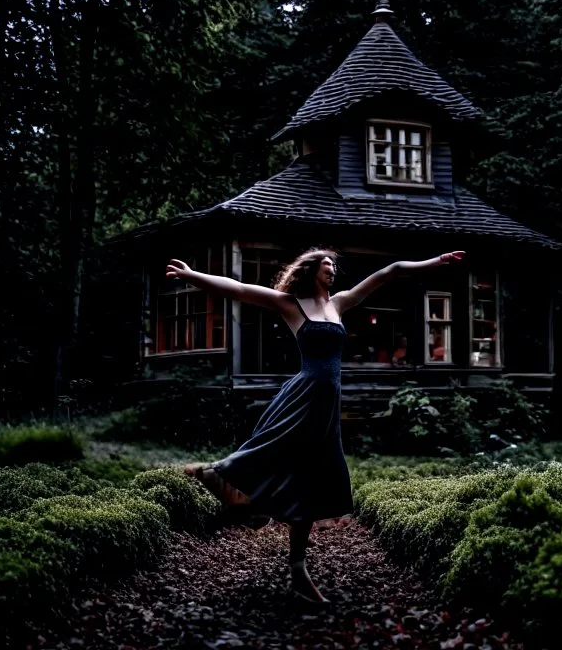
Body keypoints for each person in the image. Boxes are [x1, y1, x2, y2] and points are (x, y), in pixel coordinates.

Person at [169, 246, 466, 604]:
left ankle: (297, 570)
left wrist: (433, 261)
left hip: (327, 405)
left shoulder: (339, 303)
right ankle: (217, 476)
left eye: (333, 266)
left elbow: (391, 270)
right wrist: (191, 276)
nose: (332, 271)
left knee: (313, 477)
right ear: (310, 270)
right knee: (273, 448)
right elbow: (239, 289)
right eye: (326, 265)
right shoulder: (290, 303)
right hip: (304, 394)